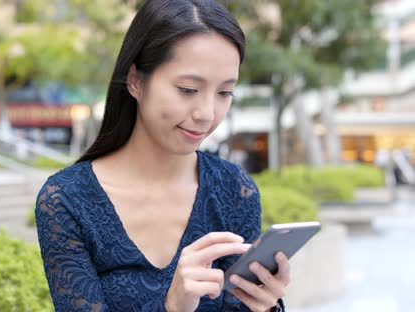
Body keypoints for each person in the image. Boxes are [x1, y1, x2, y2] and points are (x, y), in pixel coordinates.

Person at [35, 1, 289, 311]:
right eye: (187, 89)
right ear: (135, 81)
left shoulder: (234, 189)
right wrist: (172, 306)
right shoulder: (67, 199)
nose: (207, 114)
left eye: (224, 92)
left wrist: (265, 306)